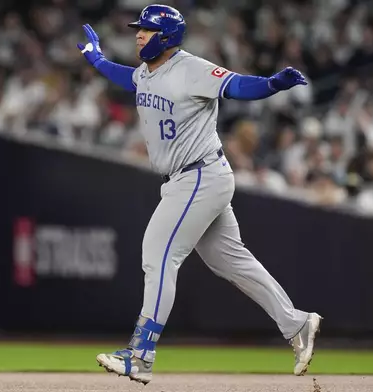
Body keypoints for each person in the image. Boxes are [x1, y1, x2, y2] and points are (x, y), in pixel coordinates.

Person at [76, 4, 322, 385]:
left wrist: (272, 84)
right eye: (138, 29)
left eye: (146, 30)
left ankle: (140, 354)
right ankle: (297, 323)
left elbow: (236, 85)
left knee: (157, 255)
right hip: (195, 177)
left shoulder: (191, 69)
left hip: (199, 176)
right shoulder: (147, 71)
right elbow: (128, 78)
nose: (139, 34)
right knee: (230, 261)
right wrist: (96, 58)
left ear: (167, 37)